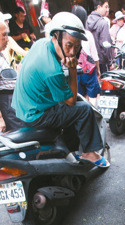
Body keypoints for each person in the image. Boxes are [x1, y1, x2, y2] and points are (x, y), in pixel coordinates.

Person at [11, 12, 109, 167]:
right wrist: (72, 71)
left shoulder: (41, 44)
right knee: (83, 109)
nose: (72, 52)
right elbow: (70, 101)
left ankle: (70, 149)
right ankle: (89, 153)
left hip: (24, 107)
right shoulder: (52, 70)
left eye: (76, 47)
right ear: (56, 37)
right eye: (69, 45)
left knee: (69, 110)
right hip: (36, 114)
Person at [72, 5, 101, 107]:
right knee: (93, 96)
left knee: (81, 96)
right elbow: (94, 55)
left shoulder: (69, 35)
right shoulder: (87, 34)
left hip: (75, 71)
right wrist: (98, 70)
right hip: (88, 71)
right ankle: (94, 116)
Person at [0, 20, 23, 131]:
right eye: (4, 35)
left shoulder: (1, 54)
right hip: (8, 104)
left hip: (15, 102)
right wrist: (0, 119)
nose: (7, 39)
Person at [86, 0, 113, 74]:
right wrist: (110, 63)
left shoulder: (87, 20)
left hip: (88, 62)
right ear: (98, 7)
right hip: (101, 62)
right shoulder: (103, 23)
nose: (108, 10)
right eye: (106, 7)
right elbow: (105, 46)